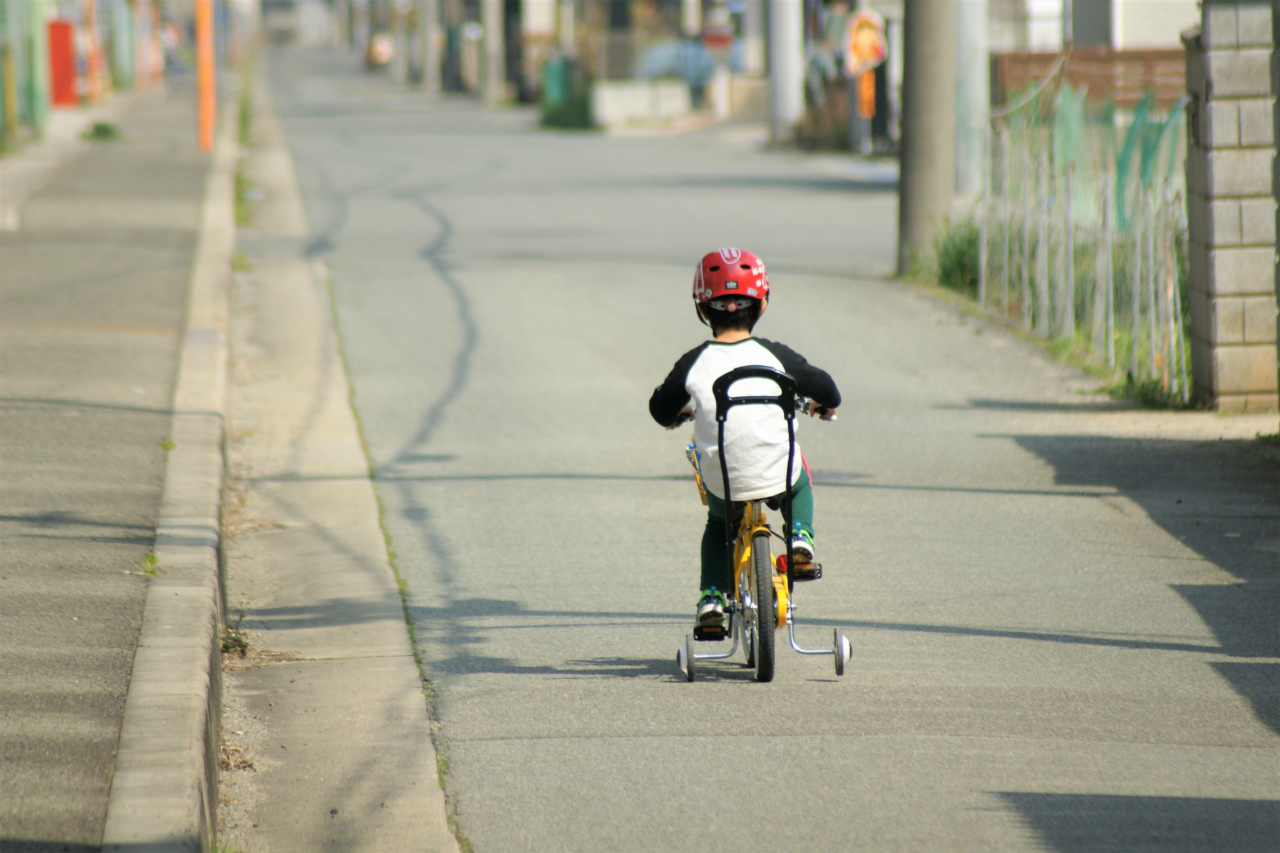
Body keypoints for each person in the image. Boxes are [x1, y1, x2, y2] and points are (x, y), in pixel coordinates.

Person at [649, 248, 841, 628]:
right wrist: (821, 403)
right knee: (799, 481)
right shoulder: (775, 355)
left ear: (702, 309)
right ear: (763, 303)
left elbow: (660, 408)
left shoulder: (695, 361)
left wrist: (678, 415)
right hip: (776, 474)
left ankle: (712, 597)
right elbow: (828, 390)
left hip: (725, 482)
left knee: (718, 524)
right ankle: (800, 538)